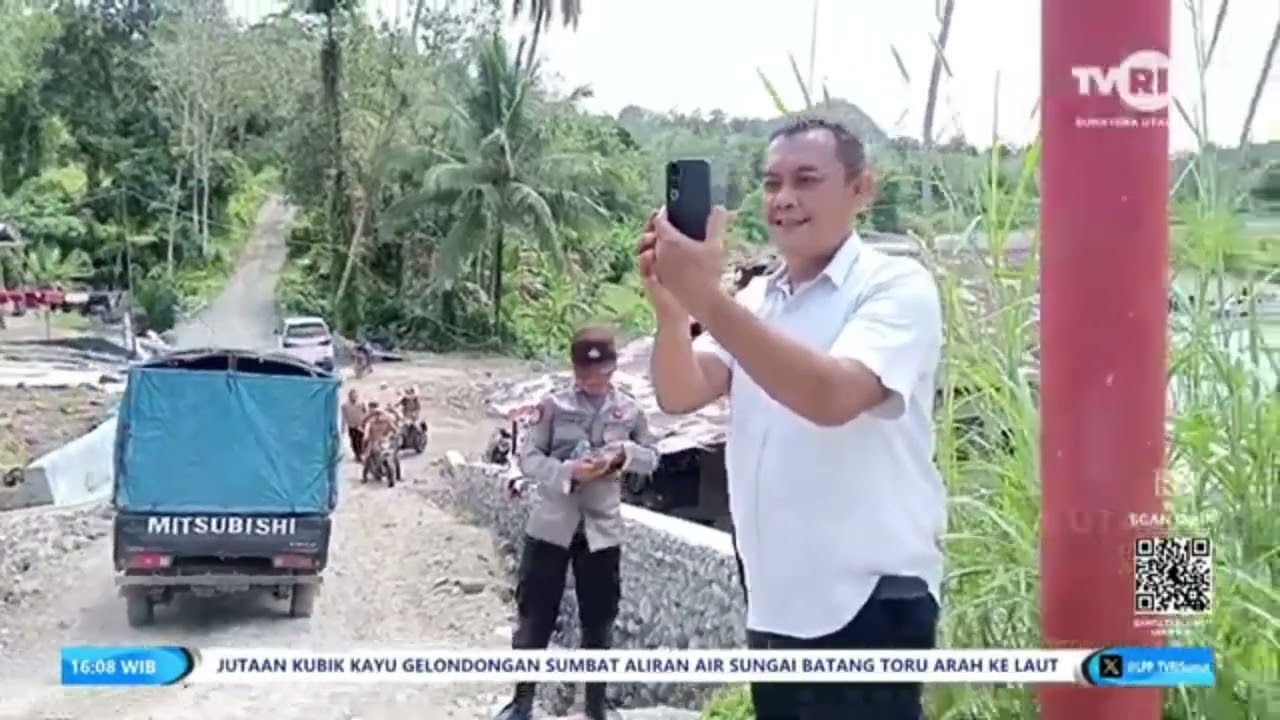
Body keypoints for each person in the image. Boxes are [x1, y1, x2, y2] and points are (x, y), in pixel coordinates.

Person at [639, 117, 945, 720]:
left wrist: (706, 299)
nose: (784, 199)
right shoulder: (757, 300)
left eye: (807, 180)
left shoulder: (895, 286)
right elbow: (682, 392)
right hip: (776, 605)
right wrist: (673, 313)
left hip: (868, 600)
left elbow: (832, 397)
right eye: (772, 182)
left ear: (862, 189)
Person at [493, 325, 659, 720]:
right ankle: (521, 704)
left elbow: (653, 457)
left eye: (598, 371)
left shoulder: (630, 410)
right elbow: (529, 458)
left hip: (602, 531)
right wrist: (569, 472)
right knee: (534, 619)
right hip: (551, 526)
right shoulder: (552, 406)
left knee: (599, 622)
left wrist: (621, 456)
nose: (590, 379)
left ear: (613, 368)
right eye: (584, 371)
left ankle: (597, 708)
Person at [340, 389, 368, 460]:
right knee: (354, 441)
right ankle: (357, 455)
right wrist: (343, 427)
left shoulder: (361, 403)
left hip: (361, 425)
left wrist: (366, 422)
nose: (354, 397)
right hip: (352, 426)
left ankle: (362, 454)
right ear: (349, 396)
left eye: (355, 395)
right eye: (353, 395)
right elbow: (344, 416)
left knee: (361, 440)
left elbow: (366, 413)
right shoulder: (345, 406)